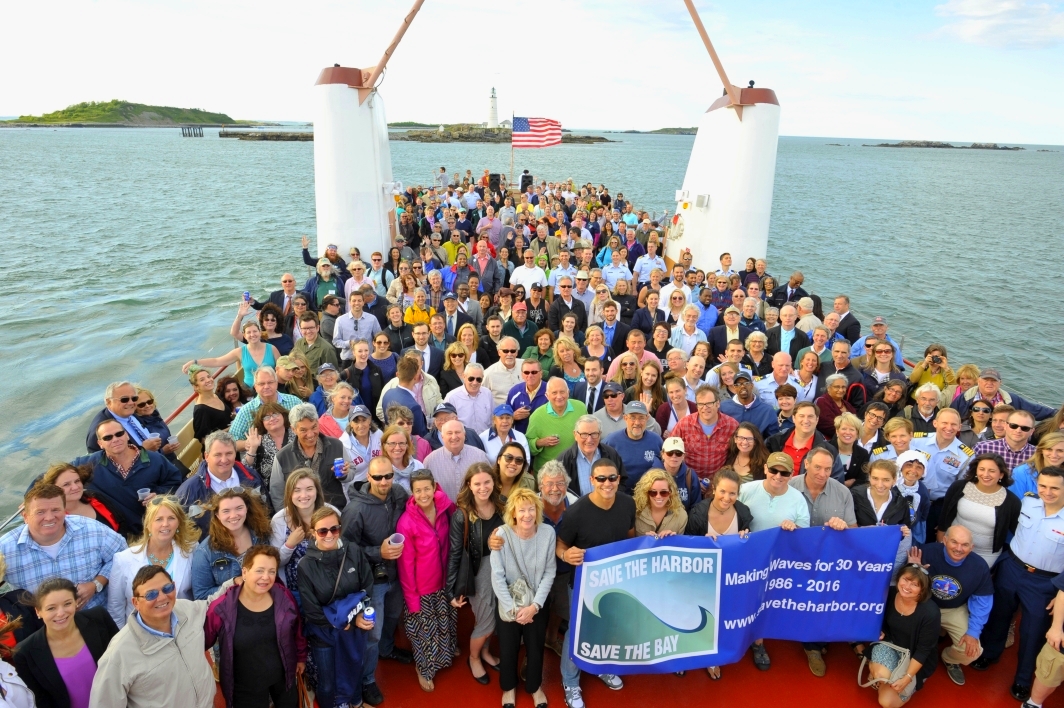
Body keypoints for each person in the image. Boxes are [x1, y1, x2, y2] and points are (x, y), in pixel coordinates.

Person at [974, 466, 1064, 702]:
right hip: (1012, 567)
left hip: (1045, 582)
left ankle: (1023, 679)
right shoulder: (1028, 503)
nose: (1048, 491)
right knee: (999, 615)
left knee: (1032, 632)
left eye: (1055, 487)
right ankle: (990, 653)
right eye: (1043, 486)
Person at [89, 563, 234, 708]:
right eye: (151, 594)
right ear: (135, 602)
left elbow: (212, 604)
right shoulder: (118, 654)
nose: (162, 598)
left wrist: (234, 583)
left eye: (167, 588)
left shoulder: (185, 609)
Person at [556, 458, 635, 708]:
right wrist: (566, 555)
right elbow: (560, 544)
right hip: (582, 583)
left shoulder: (628, 503)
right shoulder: (576, 512)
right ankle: (570, 681)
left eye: (612, 478)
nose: (607, 483)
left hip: (616, 581)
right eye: (600, 478)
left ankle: (601, 666)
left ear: (618, 479)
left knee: (609, 628)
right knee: (578, 631)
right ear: (592, 480)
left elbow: (630, 537)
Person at [341, 457, 413, 700]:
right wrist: (376, 553)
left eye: (388, 476)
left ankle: (387, 650)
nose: (384, 482)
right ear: (368, 477)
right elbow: (345, 549)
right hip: (373, 579)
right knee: (373, 631)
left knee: (393, 616)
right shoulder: (355, 509)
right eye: (378, 477)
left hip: (398, 572)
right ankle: (367, 679)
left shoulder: (399, 494)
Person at [204, 545, 307, 708]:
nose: (266, 577)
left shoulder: (283, 596)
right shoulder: (222, 607)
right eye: (259, 570)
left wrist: (301, 658)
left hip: (283, 678)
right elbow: (202, 641)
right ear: (245, 572)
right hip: (244, 686)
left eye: (272, 571)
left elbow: (297, 630)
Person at [1, 484, 125, 613]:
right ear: (25, 516)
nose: (49, 517)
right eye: (40, 512)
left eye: (55, 510)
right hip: (42, 627)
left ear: (64, 510)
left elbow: (122, 555)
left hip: (98, 615)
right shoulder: (4, 550)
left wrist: (96, 584)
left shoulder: (92, 529)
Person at [788, 446, 857, 675]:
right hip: (793, 558)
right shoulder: (788, 486)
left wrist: (843, 527)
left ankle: (813, 646)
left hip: (828, 561)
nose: (822, 473)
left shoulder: (842, 492)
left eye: (828, 468)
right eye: (817, 467)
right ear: (806, 464)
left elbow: (853, 531)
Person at [297, 507, 375, 708]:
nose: (329, 535)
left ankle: (356, 702)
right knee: (327, 682)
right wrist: (345, 621)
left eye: (334, 529)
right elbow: (311, 610)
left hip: (352, 626)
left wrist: (354, 617)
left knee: (355, 668)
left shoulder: (354, 551)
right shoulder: (305, 565)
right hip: (324, 632)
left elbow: (367, 586)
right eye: (323, 531)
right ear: (313, 533)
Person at [489, 488, 556, 708]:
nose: (527, 515)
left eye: (531, 509)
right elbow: (497, 576)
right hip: (510, 604)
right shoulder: (501, 535)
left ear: (537, 511)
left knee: (535, 647)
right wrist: (512, 609)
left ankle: (535, 687)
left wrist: (535, 606)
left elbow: (549, 572)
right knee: (508, 648)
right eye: (522, 510)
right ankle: (509, 688)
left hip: (537, 603)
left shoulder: (548, 533)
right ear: (514, 513)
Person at [906, 526, 993, 687]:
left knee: (972, 652)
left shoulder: (979, 567)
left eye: (965, 545)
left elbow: (982, 602)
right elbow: (905, 583)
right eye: (954, 542)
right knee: (904, 636)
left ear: (971, 547)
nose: (959, 549)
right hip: (924, 605)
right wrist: (914, 569)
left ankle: (949, 658)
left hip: (954, 609)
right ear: (944, 540)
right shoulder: (926, 552)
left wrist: (974, 632)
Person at [12, 577, 119, 708]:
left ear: (76, 603)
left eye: (67, 604)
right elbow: (41, 701)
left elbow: (123, 660)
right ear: (38, 611)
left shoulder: (99, 617)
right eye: (51, 608)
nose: (61, 613)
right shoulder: (24, 653)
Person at [396, 470, 458, 692]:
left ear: (435, 487)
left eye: (427, 488)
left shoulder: (445, 507)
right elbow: (405, 566)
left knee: (445, 626)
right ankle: (424, 669)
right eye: (418, 490)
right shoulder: (406, 523)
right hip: (421, 589)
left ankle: (447, 654)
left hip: (444, 583)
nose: (423, 494)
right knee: (424, 634)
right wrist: (412, 599)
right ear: (412, 492)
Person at [444, 463, 505, 685]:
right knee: (485, 621)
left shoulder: (503, 506)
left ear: (493, 482)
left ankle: (486, 652)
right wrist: (451, 590)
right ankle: (474, 657)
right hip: (479, 572)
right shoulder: (462, 516)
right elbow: (455, 553)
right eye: (477, 483)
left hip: (502, 571)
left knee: (495, 618)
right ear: (469, 485)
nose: (483, 487)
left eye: (487, 482)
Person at [71, 417, 183, 535]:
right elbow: (59, 475)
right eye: (108, 437)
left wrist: (159, 494)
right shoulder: (90, 464)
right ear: (100, 443)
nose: (115, 439)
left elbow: (176, 482)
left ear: (127, 435)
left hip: (158, 527)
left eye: (119, 434)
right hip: (121, 535)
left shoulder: (155, 459)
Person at [107, 496, 199, 628]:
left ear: (178, 523)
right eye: (159, 519)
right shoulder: (123, 559)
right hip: (140, 635)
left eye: (171, 518)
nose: (165, 524)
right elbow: (115, 607)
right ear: (148, 525)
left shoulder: (191, 549)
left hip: (183, 628)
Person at [865, 564, 941, 705]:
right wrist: (879, 630)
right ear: (898, 578)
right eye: (905, 579)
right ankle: (881, 676)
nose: (907, 586)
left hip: (913, 655)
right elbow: (877, 617)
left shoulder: (931, 613)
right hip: (891, 643)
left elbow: (923, 651)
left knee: (887, 703)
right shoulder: (890, 593)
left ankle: (892, 680)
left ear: (922, 590)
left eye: (914, 584)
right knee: (881, 676)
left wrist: (907, 677)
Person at [936, 453, 1020, 568]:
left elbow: (1018, 532)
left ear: (1001, 474)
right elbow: (943, 518)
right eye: (982, 469)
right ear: (976, 470)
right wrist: (941, 544)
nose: (985, 474)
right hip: (952, 548)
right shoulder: (959, 487)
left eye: (991, 471)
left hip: (985, 555)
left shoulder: (1011, 501)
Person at [191, 487, 271, 600]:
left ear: (247, 508)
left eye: (239, 508)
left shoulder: (262, 535)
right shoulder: (205, 551)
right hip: (229, 613)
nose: (233, 515)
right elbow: (201, 595)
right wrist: (233, 584)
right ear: (217, 515)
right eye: (226, 511)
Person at [270, 403, 351, 512]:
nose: (310, 434)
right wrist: (289, 519)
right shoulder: (282, 456)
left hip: (333, 514)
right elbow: (277, 493)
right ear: (293, 429)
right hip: (300, 518)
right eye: (303, 430)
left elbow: (351, 472)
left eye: (314, 427)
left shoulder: (337, 445)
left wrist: (345, 474)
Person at [182, 304, 281, 389]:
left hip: (270, 388)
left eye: (255, 331)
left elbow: (281, 368)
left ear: (260, 332)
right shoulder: (240, 352)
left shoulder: (271, 348)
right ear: (244, 336)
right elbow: (217, 361)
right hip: (249, 390)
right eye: (249, 332)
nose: (252, 334)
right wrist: (195, 362)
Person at [671, 384, 740, 485]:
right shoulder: (684, 424)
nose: (705, 408)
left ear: (718, 404)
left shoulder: (732, 425)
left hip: (719, 483)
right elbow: (669, 449)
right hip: (688, 480)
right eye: (701, 404)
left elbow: (738, 454)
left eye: (709, 403)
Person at [39, 462, 130, 537]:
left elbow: (121, 522)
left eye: (77, 481)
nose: (75, 487)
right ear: (53, 489)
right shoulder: (57, 519)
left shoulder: (95, 497)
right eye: (66, 484)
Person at [84, 381, 166, 455]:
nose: (131, 403)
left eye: (134, 398)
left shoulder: (129, 411)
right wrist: (143, 450)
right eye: (124, 399)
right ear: (109, 402)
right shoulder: (100, 431)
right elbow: (104, 466)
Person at [526, 377, 589, 471]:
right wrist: (541, 442)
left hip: (576, 467)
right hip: (548, 471)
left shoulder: (580, 408)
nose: (559, 396)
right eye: (554, 393)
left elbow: (589, 432)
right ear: (547, 395)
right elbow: (527, 445)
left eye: (562, 392)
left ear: (568, 392)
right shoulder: (537, 416)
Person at [1011, 432, 1064, 499]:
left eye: (1060, 451)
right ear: (1041, 450)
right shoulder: (1021, 472)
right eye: (1049, 449)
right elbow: (1015, 503)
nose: (1054, 455)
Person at [188, 366, 231, 444]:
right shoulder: (201, 410)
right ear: (196, 387)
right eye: (202, 380)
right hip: (219, 448)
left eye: (208, 376)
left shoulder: (216, 396)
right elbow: (204, 440)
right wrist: (230, 429)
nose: (208, 380)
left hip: (231, 440)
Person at [829, 412, 871, 487]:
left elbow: (862, 480)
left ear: (857, 433)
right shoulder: (825, 448)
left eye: (852, 429)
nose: (847, 432)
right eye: (844, 429)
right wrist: (844, 484)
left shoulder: (863, 454)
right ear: (837, 431)